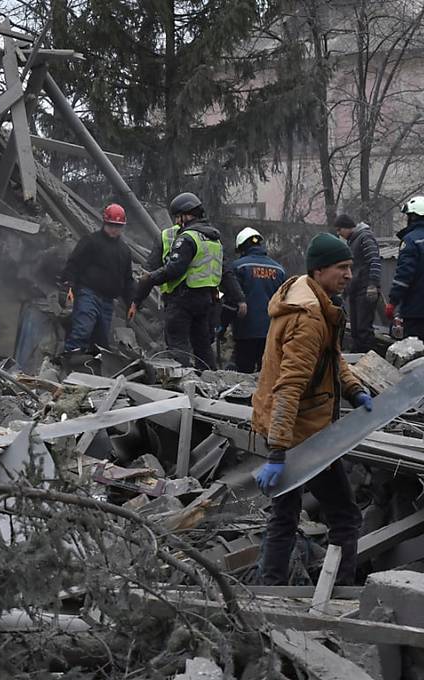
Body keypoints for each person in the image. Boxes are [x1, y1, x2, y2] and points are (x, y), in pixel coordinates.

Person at [252, 233, 372, 586]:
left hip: (293, 429)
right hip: (303, 435)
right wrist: (278, 453)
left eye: (351, 267)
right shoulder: (309, 318)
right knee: (346, 517)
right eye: (342, 267)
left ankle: (268, 590)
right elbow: (289, 387)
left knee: (284, 515)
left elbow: (332, 359)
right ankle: (338, 597)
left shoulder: (308, 297)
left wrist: (354, 390)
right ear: (319, 270)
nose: (349, 274)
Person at [134, 192, 245, 369]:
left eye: (178, 216)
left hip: (182, 300)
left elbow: (174, 269)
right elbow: (226, 273)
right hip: (206, 302)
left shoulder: (188, 238)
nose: (177, 222)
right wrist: (240, 299)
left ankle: (180, 386)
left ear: (187, 214)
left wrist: (150, 278)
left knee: (178, 346)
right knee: (202, 347)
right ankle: (210, 381)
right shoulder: (213, 240)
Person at [61, 203, 135, 352]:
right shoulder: (91, 241)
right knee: (82, 330)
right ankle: (68, 363)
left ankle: (92, 369)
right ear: (105, 222)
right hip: (88, 294)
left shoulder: (124, 251)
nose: (115, 229)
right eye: (112, 225)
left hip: (108, 301)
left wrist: (132, 302)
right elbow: (74, 264)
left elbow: (127, 279)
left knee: (101, 340)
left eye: (118, 226)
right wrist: (69, 285)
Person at [231, 227, 286, 372]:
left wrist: (221, 325)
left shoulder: (238, 267)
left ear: (242, 247)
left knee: (243, 375)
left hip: (245, 331)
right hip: (272, 331)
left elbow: (230, 298)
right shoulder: (279, 269)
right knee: (268, 374)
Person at [334, 214, 382, 352]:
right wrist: (345, 291)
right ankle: (358, 357)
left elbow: (374, 260)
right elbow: (353, 271)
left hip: (365, 289)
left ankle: (367, 359)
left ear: (347, 227)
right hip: (356, 290)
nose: (339, 233)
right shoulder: (352, 241)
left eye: (339, 229)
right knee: (355, 329)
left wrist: (373, 284)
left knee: (363, 329)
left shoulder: (364, 237)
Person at [386, 196, 424, 341]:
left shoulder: (411, 240)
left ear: (412, 217)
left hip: (416, 311)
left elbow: (404, 276)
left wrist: (393, 301)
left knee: (415, 355)